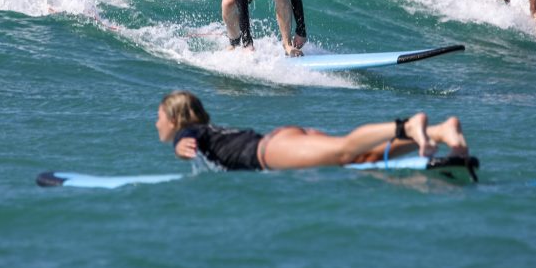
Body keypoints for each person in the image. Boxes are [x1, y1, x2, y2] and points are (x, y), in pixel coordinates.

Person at [156, 90, 469, 172]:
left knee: (345, 149)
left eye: (159, 116)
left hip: (270, 152)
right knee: (359, 159)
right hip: (280, 140)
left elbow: (189, 137)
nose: (156, 123)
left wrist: (179, 147)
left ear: (174, 118)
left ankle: (407, 125)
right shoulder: (210, 129)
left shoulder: (191, 133)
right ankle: (441, 132)